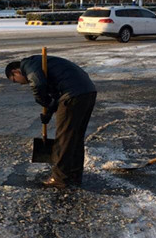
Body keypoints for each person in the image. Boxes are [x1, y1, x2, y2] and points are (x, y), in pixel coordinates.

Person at [6, 55, 97, 188]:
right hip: (87, 92)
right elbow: (55, 95)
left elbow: (38, 84)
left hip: (73, 94)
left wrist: (41, 100)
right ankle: (74, 175)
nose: (20, 84)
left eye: (15, 80)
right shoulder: (41, 64)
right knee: (75, 138)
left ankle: (59, 179)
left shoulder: (28, 64)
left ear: (15, 71)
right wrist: (48, 112)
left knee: (64, 139)